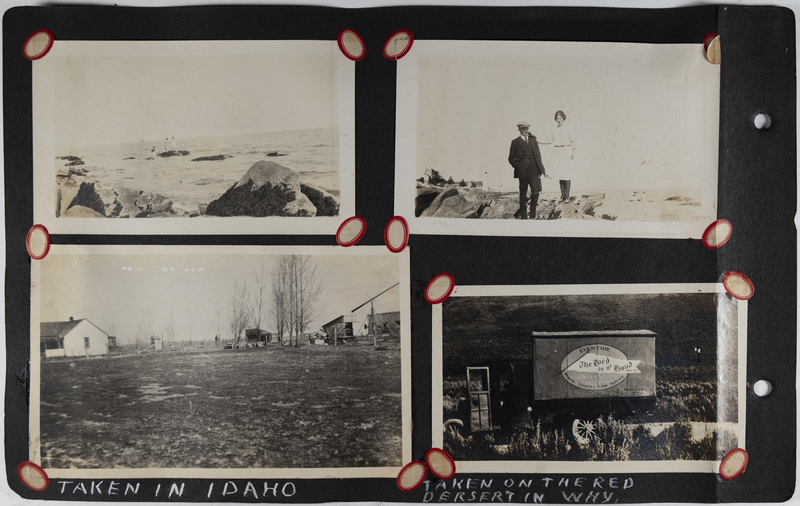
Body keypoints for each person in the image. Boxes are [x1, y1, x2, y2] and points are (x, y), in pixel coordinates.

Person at [508, 121, 547, 220]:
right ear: (519, 130)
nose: (525, 131)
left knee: (535, 193)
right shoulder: (515, 142)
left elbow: (538, 156)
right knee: (523, 193)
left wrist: (540, 170)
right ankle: (524, 217)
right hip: (522, 170)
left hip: (534, 169)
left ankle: (532, 214)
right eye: (523, 129)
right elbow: (511, 158)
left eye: (527, 129)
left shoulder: (533, 140)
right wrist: (518, 166)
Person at [550, 110, 576, 201]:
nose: (558, 120)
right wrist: (535, 139)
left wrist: (573, 150)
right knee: (560, 173)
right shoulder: (554, 129)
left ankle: (567, 195)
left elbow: (573, 140)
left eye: (560, 118)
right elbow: (550, 141)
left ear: (563, 118)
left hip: (566, 150)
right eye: (557, 118)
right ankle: (563, 195)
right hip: (558, 151)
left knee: (567, 173)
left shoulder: (568, 127)